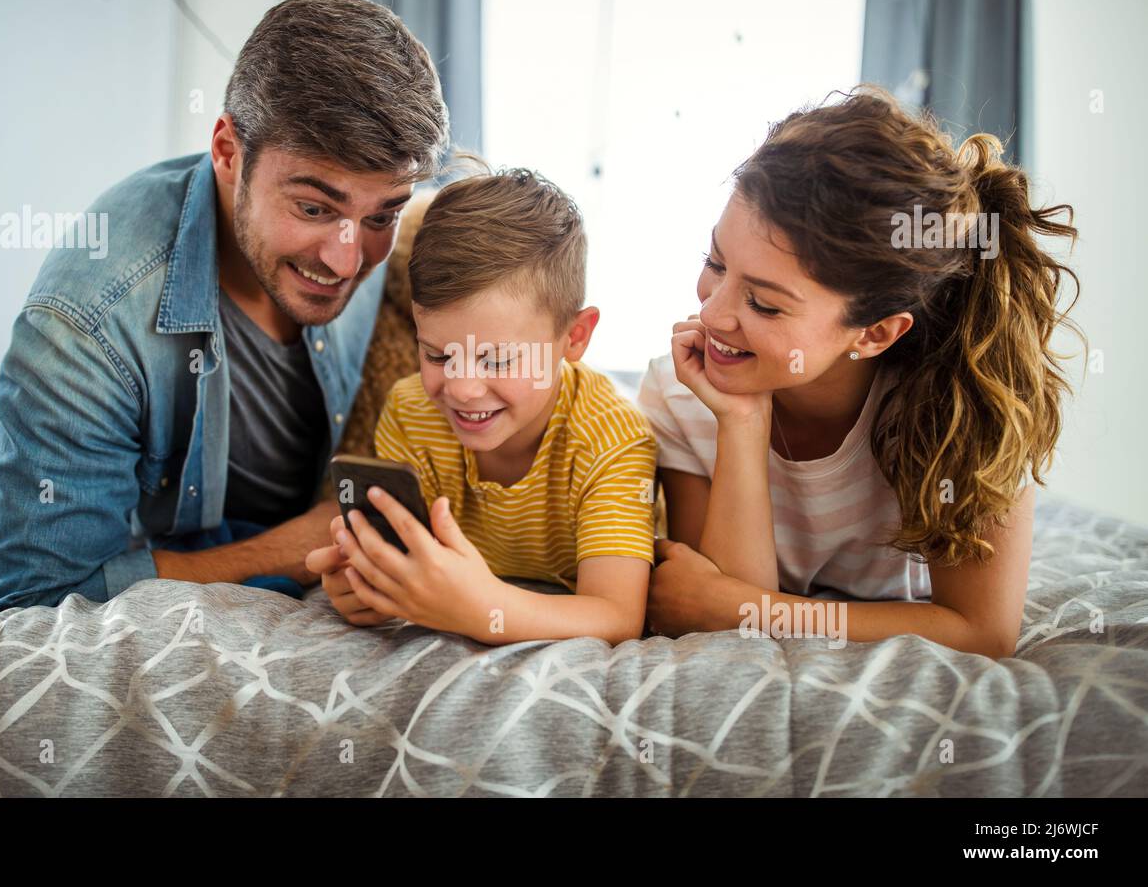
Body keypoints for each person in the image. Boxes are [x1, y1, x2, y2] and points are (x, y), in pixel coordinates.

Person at [0, 0, 450, 610]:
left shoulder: (401, 255)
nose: (347, 260)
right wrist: (301, 544)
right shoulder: (87, 324)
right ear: (229, 152)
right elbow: (34, 600)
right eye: (314, 209)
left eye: (381, 215)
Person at [637, 86, 1080, 659]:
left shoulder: (970, 404)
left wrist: (746, 609)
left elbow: (983, 630)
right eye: (715, 263)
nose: (712, 314)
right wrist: (743, 420)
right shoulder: (682, 394)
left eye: (765, 304)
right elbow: (722, 623)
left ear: (874, 333)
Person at [306, 169, 659, 646]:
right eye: (437, 354)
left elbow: (615, 616)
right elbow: (411, 567)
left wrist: (481, 609)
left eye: (497, 359)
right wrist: (370, 587)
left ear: (574, 337)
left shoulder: (613, 436)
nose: (463, 388)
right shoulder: (412, 412)